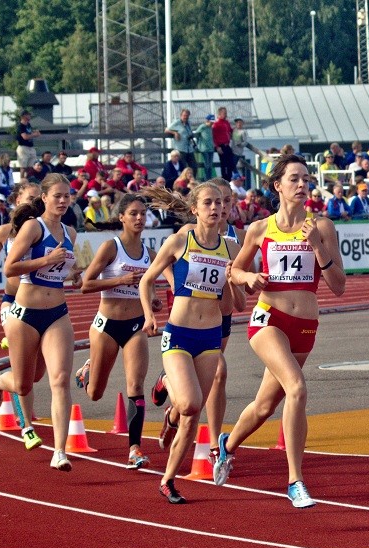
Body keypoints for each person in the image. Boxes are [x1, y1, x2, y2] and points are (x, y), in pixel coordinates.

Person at [212, 154, 346, 509]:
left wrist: (317, 246)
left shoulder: (322, 226)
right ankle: (295, 481)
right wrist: (249, 277)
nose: (302, 185)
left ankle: (226, 445)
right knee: (296, 388)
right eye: (294, 179)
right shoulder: (260, 229)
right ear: (278, 186)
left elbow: (339, 286)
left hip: (305, 328)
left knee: (264, 405)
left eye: (307, 179)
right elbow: (233, 271)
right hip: (268, 320)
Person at [139, 181, 233, 503]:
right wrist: (149, 315)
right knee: (191, 403)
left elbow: (235, 301)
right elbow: (147, 280)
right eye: (208, 203)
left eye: (220, 202)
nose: (216, 208)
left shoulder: (230, 249)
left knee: (191, 413)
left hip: (210, 337)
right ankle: (166, 382)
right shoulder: (180, 241)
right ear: (194, 209)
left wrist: (237, 280)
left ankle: (168, 480)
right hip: (179, 334)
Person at [0, 174, 81, 471]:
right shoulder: (33, 227)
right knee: (24, 383)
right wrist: (46, 260)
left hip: (57, 314)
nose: (63, 201)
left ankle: (60, 451)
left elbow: (61, 272)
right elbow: (9, 268)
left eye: (67, 196)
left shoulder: (70, 232)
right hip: (25, 315)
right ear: (44, 198)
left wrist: (74, 274)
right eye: (57, 196)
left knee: (60, 380)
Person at [76, 194, 166, 469]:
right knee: (95, 393)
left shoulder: (151, 255)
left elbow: (149, 288)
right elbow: (86, 284)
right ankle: (87, 371)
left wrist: (153, 302)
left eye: (143, 214)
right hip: (107, 326)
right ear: (122, 217)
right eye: (134, 213)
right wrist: (120, 280)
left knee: (135, 386)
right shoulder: (110, 248)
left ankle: (134, 449)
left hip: (135, 326)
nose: (139, 218)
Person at [0, 183, 44, 450]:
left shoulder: (47, 230)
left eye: (38, 199)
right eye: (30, 199)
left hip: (40, 307)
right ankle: (27, 426)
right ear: (18, 201)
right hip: (12, 302)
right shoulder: (5, 231)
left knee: (35, 376)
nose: (35, 204)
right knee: (18, 351)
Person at [166, 108, 197, 175]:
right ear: (181, 115)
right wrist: (175, 133)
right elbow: (167, 130)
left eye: (187, 115)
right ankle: (183, 179)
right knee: (183, 166)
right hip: (181, 148)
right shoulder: (177, 123)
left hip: (189, 148)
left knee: (194, 166)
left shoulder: (189, 123)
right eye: (184, 115)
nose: (185, 117)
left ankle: (192, 179)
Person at [212, 107, 233, 179]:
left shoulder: (226, 122)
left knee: (230, 162)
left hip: (227, 145)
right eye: (224, 113)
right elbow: (214, 136)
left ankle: (229, 178)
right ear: (219, 114)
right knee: (223, 163)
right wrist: (217, 147)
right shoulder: (216, 124)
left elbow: (231, 130)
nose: (226, 114)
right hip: (221, 145)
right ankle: (224, 178)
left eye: (226, 113)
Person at [195, 114, 216, 180]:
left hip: (211, 148)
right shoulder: (202, 127)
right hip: (204, 148)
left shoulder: (211, 128)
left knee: (210, 164)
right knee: (207, 164)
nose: (212, 123)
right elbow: (196, 134)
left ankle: (209, 177)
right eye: (211, 122)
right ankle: (206, 178)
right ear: (207, 121)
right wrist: (197, 144)